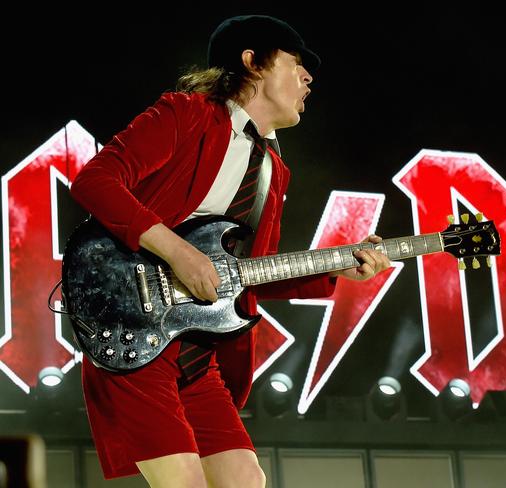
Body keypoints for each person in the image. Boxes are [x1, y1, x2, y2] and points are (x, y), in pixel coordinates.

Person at [69, 14, 390, 488]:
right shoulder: (185, 113)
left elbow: (251, 274)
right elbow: (95, 181)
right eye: (296, 63)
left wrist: (343, 267)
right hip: (133, 327)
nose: (309, 78)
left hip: (199, 353)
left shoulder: (274, 170)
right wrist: (179, 253)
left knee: (246, 480)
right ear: (252, 63)